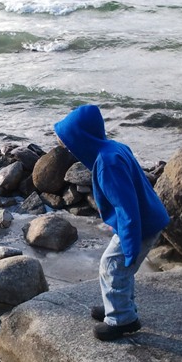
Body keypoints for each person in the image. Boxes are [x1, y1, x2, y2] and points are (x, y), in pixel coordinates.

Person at [54, 105, 170, 341]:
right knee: (120, 269)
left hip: (140, 226)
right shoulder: (114, 148)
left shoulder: (108, 164)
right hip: (149, 218)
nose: (68, 148)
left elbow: (126, 208)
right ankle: (116, 306)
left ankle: (122, 319)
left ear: (82, 139)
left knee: (113, 266)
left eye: (69, 141)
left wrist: (130, 243)